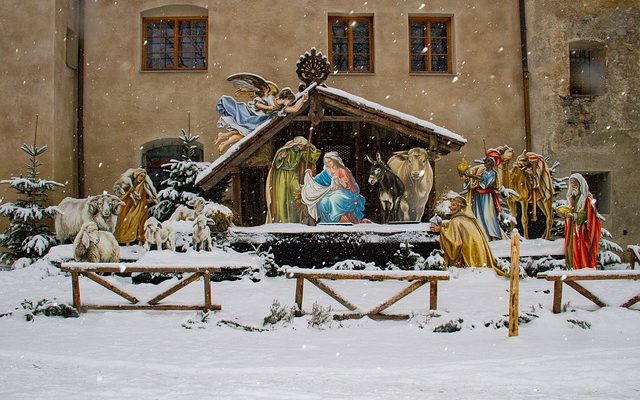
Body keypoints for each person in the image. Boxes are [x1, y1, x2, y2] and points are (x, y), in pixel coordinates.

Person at [430, 195, 505, 276]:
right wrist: (443, 226)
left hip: (466, 257)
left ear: (460, 207)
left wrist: (440, 230)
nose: (450, 207)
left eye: (453, 205)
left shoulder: (456, 221)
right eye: (451, 204)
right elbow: (452, 227)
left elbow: (455, 242)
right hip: (477, 253)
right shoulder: (468, 219)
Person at [215, 89, 309, 153]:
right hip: (251, 115)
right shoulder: (270, 98)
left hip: (257, 122)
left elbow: (294, 109)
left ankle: (224, 138)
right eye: (290, 101)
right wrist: (268, 107)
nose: (290, 103)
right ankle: (224, 139)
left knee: (244, 133)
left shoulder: (281, 109)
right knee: (243, 130)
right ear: (286, 98)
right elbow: (257, 103)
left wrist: (303, 100)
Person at [265, 136, 321, 224]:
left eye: (302, 146)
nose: (301, 147)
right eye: (300, 145)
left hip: (293, 174)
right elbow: (276, 165)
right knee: (281, 197)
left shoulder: (300, 152)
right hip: (281, 175)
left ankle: (297, 219)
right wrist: (280, 158)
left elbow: (311, 159)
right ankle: (282, 220)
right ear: (295, 144)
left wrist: (313, 149)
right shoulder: (285, 151)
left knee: (298, 194)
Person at [301, 151, 366, 224]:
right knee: (323, 202)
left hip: (345, 193)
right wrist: (309, 176)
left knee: (334, 199)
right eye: (326, 162)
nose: (328, 163)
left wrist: (339, 180)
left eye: (329, 161)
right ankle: (326, 221)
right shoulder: (326, 172)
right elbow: (316, 181)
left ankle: (336, 220)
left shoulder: (342, 170)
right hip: (332, 192)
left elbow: (348, 185)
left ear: (335, 160)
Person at [460, 153, 503, 241]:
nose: (485, 164)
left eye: (487, 162)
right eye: (485, 162)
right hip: (477, 196)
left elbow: (485, 184)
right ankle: (481, 234)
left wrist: (474, 177)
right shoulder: (481, 171)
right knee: (478, 215)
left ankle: (492, 234)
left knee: (488, 216)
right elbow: (474, 182)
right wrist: (469, 177)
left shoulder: (493, 173)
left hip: (487, 197)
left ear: (491, 164)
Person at [564, 173, 602, 269]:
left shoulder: (586, 199)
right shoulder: (571, 198)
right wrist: (566, 214)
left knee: (582, 250)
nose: (573, 185)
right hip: (572, 229)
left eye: (575, 183)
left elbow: (589, 214)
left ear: (580, 183)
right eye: (571, 183)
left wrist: (576, 216)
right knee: (571, 249)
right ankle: (572, 267)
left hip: (582, 230)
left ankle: (582, 268)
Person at [114, 168, 157, 245]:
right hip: (129, 208)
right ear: (136, 175)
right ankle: (127, 242)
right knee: (128, 222)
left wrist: (150, 200)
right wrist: (129, 192)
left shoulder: (144, 186)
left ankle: (140, 242)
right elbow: (121, 198)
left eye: (143, 177)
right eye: (140, 176)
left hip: (141, 209)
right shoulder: (127, 185)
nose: (142, 178)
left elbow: (145, 199)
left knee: (141, 224)